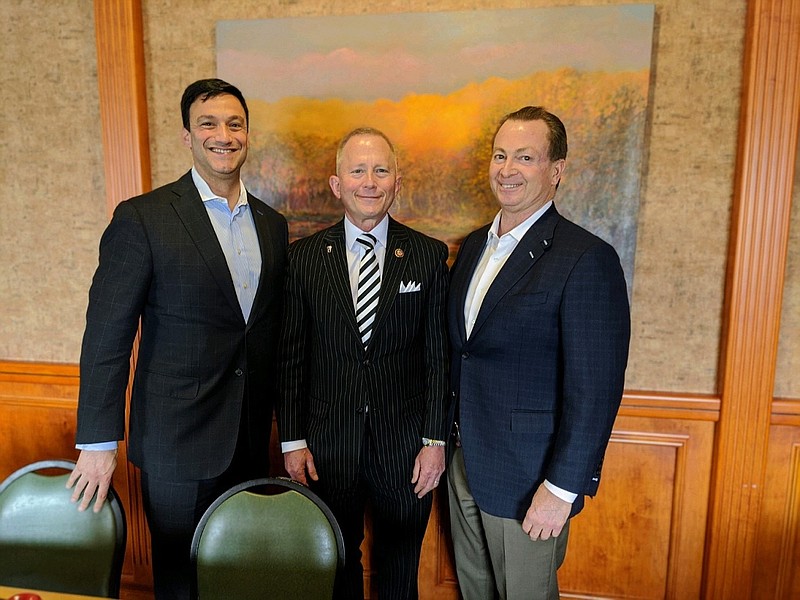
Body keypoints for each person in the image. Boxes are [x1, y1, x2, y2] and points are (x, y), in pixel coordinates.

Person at [67, 78, 288, 599]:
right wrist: (98, 442)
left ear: (248, 134)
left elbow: (268, 334)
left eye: (235, 124)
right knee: (180, 583)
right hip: (175, 444)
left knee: (235, 576)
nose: (223, 135)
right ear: (188, 136)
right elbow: (107, 335)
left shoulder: (273, 224)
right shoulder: (143, 218)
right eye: (208, 123)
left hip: (249, 439)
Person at [447, 106, 631, 599]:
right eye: (500, 155)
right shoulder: (471, 248)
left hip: (530, 480)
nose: (506, 169)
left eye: (524, 157)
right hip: (463, 465)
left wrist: (562, 489)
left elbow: (595, 390)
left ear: (556, 170)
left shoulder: (586, 259)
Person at [277, 127, 449, 599]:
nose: (369, 181)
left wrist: (436, 441)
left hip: (407, 449)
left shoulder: (428, 255)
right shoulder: (304, 258)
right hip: (327, 447)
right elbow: (292, 358)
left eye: (381, 170)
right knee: (335, 564)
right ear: (337, 184)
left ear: (397, 181)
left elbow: (439, 359)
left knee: (399, 572)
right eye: (357, 170)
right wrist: (292, 440)